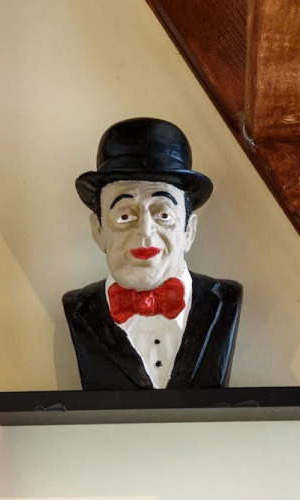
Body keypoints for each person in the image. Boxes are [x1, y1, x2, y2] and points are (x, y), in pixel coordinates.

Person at [63, 117, 242, 390]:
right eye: (124, 216)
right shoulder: (78, 308)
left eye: (164, 215)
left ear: (189, 230)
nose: (145, 231)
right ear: (98, 231)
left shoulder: (225, 301)